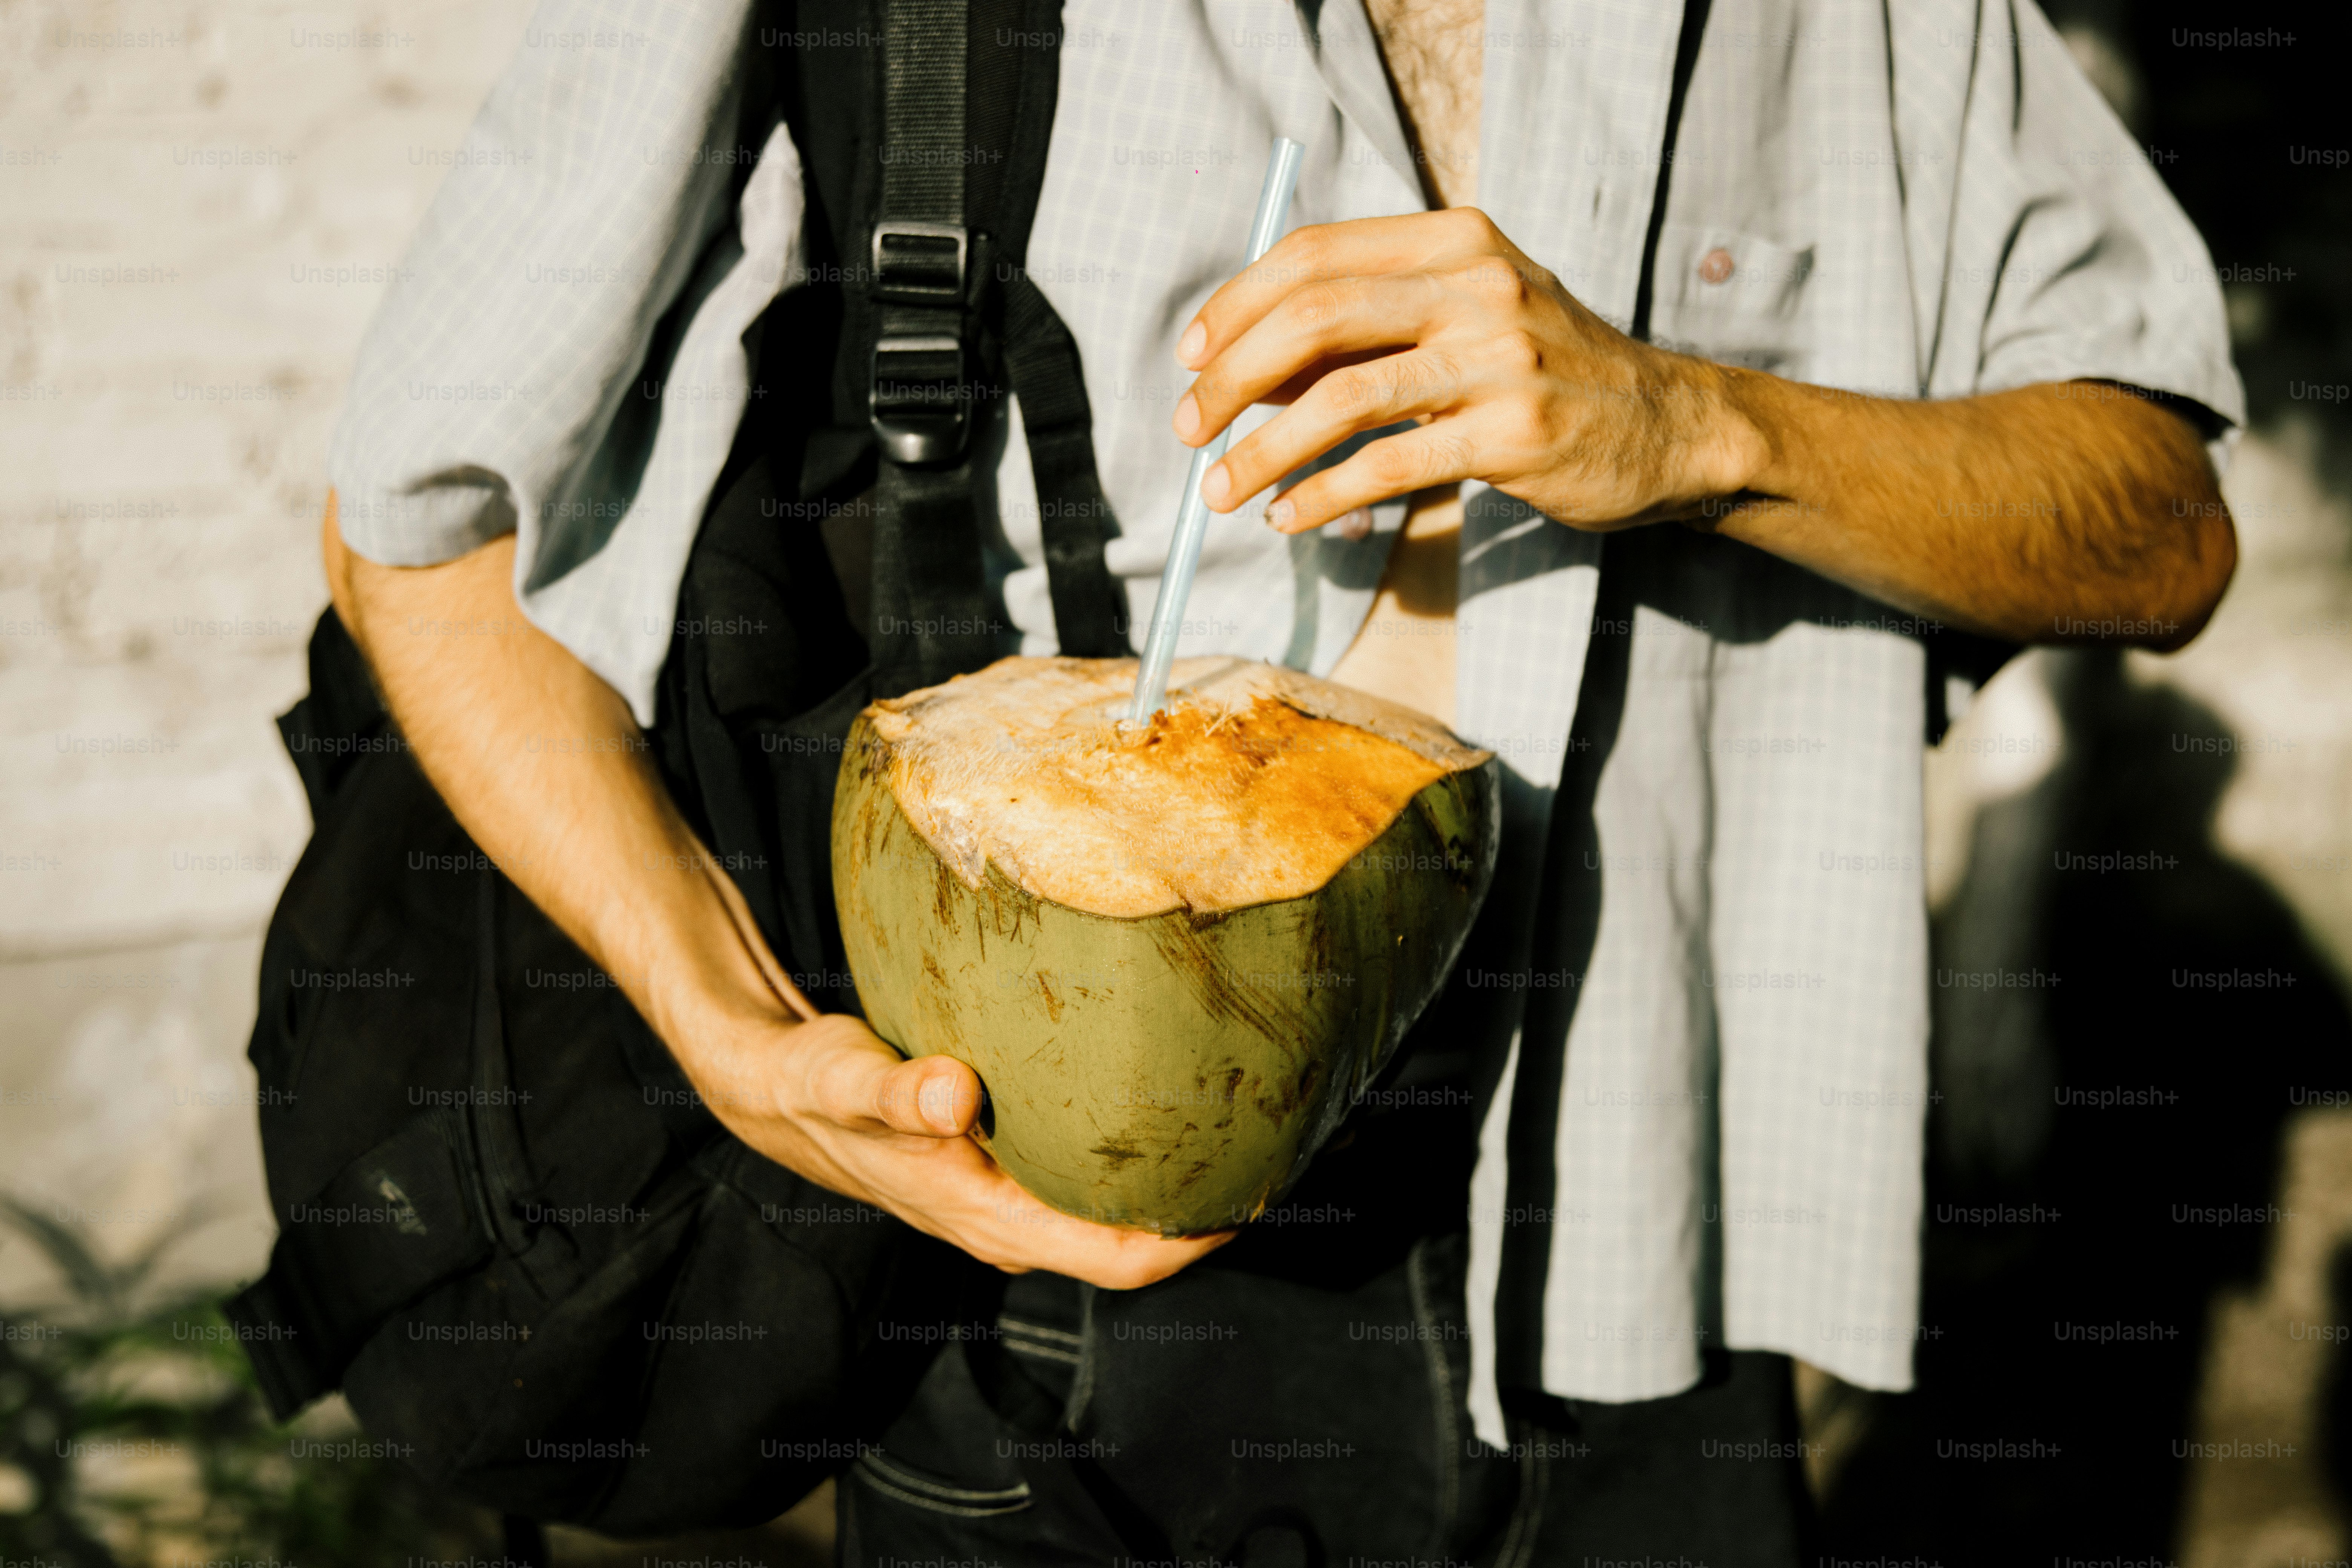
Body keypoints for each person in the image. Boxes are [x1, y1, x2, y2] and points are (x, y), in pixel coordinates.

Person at [317, 0, 2240, 1559]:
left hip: (1662, 1237)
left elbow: (2159, 530)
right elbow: (422, 520)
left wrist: (1691, 419)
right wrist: (731, 1026)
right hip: (1052, 1305)